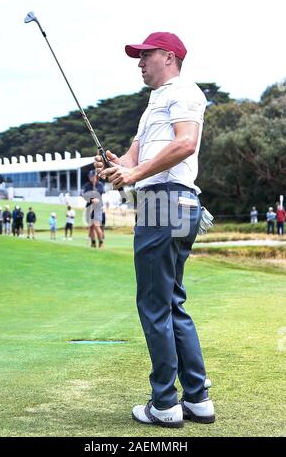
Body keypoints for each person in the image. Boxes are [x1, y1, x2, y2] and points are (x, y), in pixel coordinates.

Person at [96, 32, 215, 427]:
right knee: (172, 301)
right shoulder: (154, 103)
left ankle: (164, 403)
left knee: (153, 304)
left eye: (145, 55)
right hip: (170, 202)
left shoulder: (184, 92)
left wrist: (135, 173)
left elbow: (186, 144)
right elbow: (135, 154)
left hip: (164, 202)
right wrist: (118, 164)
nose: (139, 62)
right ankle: (197, 399)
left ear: (169, 56)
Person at [82, 169, 105, 248]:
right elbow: (84, 195)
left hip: (97, 208)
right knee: (91, 226)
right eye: (91, 176)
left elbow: (97, 194)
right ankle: (93, 242)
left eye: (93, 176)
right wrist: (91, 199)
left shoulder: (100, 185)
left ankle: (101, 242)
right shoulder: (87, 185)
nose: (92, 178)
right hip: (89, 207)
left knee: (96, 225)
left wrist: (94, 186)